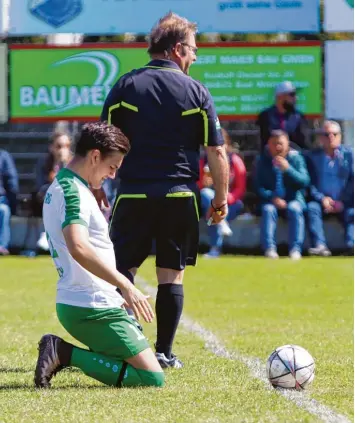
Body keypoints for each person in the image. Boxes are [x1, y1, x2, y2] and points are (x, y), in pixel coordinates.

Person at [100, 12, 229, 368]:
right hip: (178, 195)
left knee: (121, 271)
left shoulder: (125, 86)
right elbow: (216, 151)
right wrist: (220, 199)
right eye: (193, 50)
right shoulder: (196, 91)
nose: (195, 57)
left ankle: (120, 347)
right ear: (176, 49)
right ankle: (163, 352)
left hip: (133, 195)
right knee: (171, 273)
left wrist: (97, 185)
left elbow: (101, 141)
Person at [34, 122, 164, 389]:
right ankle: (61, 351)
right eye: (112, 167)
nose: (113, 175)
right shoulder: (74, 192)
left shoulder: (68, 184)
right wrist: (126, 286)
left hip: (88, 302)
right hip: (90, 308)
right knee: (152, 378)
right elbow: (78, 247)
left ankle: (67, 351)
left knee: (135, 363)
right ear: (95, 156)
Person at [255, 130, 310, 260]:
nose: (277, 147)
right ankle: (269, 249)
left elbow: (304, 181)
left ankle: (295, 249)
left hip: (293, 199)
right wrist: (271, 197)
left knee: (295, 208)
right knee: (268, 210)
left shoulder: (296, 158)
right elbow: (258, 187)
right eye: (274, 144)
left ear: (287, 144)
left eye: (280, 144)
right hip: (271, 201)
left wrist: (288, 169)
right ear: (269, 144)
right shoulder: (262, 161)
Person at [306, 121, 354, 256]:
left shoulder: (350, 155)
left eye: (334, 134)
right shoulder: (312, 157)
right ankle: (320, 246)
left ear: (340, 136)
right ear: (321, 137)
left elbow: (353, 180)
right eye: (327, 134)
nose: (331, 137)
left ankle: (352, 245)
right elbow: (310, 183)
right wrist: (322, 199)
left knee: (352, 212)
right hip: (321, 201)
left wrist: (342, 201)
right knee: (312, 208)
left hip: (345, 201)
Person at [199, 128, 246, 258]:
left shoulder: (234, 160)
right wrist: (203, 183)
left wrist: (225, 198)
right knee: (206, 195)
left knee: (213, 215)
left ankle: (215, 247)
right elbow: (197, 186)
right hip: (210, 203)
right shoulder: (203, 161)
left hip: (232, 204)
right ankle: (221, 225)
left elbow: (240, 189)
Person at [34, 131, 72, 251]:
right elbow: (40, 187)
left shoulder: (75, 163)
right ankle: (49, 233)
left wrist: (65, 164)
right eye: (59, 146)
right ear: (52, 148)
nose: (63, 150)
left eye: (67, 146)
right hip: (48, 199)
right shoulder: (44, 163)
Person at [256, 81, 311, 152]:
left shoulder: (299, 117)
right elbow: (262, 143)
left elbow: (304, 144)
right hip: (271, 157)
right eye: (292, 95)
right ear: (280, 97)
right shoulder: (265, 116)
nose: (295, 98)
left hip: (294, 158)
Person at [0, 150, 19, 255]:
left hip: (0, 199)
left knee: (3, 209)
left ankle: (2, 247)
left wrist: (14, 204)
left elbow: (12, 181)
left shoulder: (3, 156)